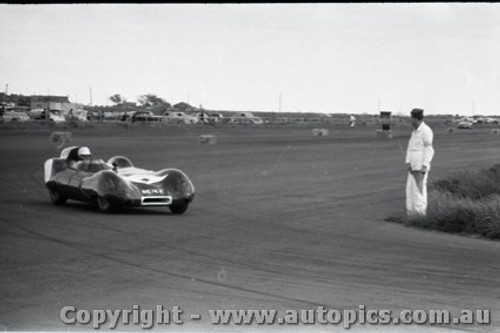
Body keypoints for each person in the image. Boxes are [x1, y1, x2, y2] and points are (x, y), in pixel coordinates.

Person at [405, 108, 435, 217]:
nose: (411, 121)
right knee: (410, 190)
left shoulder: (426, 130)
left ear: (416, 119)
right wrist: (408, 162)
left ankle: (419, 214)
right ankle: (411, 213)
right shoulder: (414, 132)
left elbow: (429, 149)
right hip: (412, 166)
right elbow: (410, 148)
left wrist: (425, 165)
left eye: (412, 119)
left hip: (420, 167)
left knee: (419, 191)